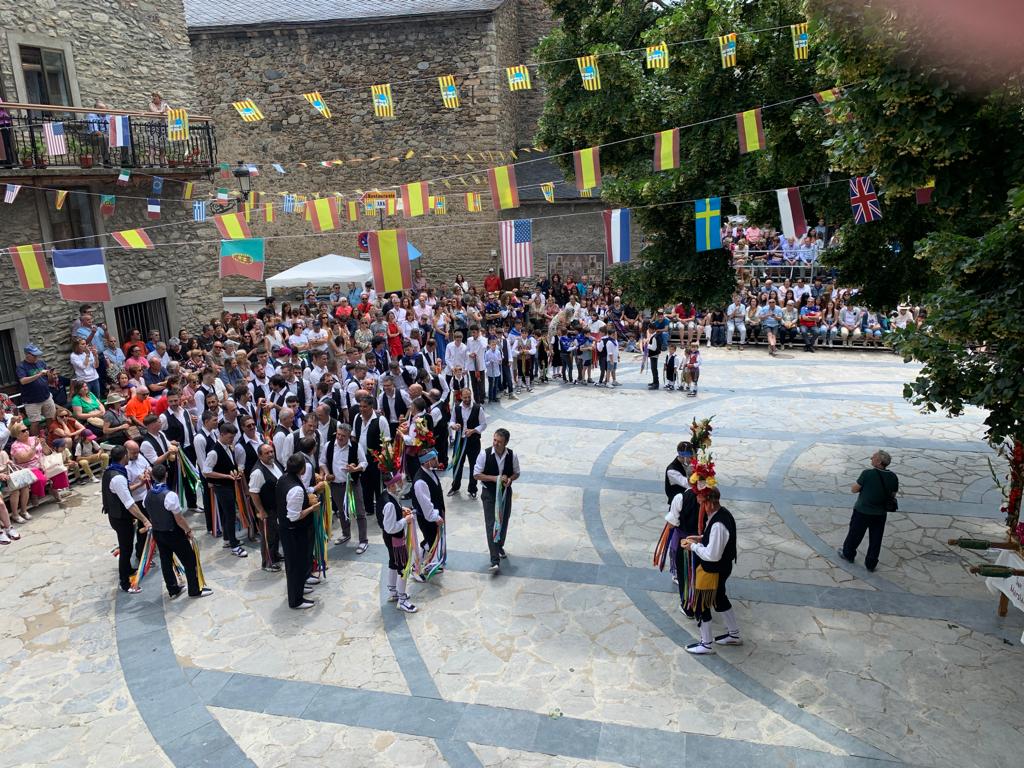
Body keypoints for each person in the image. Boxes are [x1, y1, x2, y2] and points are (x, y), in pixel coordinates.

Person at [680, 488, 741, 653]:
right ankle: (734, 635)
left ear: (709, 503)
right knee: (719, 598)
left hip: (712, 570)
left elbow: (713, 555)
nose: (700, 507)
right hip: (721, 568)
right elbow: (715, 542)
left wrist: (693, 546)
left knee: (701, 605)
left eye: (701, 503)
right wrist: (700, 538)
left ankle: (706, 644)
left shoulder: (718, 525)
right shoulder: (722, 514)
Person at [144, 463, 211, 598]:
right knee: (189, 560)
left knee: (166, 561)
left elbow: (150, 511)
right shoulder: (170, 495)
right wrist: (188, 530)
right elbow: (179, 518)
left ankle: (173, 589)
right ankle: (194, 589)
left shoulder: (148, 495)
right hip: (173, 533)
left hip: (158, 532)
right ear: (166, 475)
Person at [102, 445, 153, 593]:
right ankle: (124, 583)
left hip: (119, 515)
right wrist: (145, 519)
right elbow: (129, 503)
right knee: (126, 549)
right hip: (120, 517)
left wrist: (140, 482)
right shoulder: (117, 477)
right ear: (124, 456)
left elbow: (125, 490)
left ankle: (129, 569)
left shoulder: (112, 471)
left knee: (128, 546)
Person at [839, 450, 898, 572]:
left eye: (873, 457)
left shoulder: (867, 474)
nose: (871, 458)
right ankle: (871, 563)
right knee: (876, 538)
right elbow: (893, 494)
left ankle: (848, 554)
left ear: (879, 462)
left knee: (855, 534)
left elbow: (854, 489)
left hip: (862, 511)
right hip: (880, 513)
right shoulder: (893, 477)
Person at [276, 453, 322, 609]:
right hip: (293, 531)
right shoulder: (295, 489)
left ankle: (299, 588)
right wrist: (312, 508)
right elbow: (294, 516)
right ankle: (296, 600)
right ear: (302, 469)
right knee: (295, 565)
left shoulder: (284, 479)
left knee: (299, 563)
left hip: (288, 529)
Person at [473, 428, 520, 574]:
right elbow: (476, 474)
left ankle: (499, 545)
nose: (495, 443)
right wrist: (495, 479)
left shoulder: (512, 455)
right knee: (491, 524)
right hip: (489, 493)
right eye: (494, 440)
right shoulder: (484, 454)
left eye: (499, 442)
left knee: (504, 520)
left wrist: (510, 479)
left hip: (505, 493)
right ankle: (494, 560)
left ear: (506, 443)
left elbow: (516, 472)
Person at [322, 423, 369, 552]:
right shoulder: (329, 445)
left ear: (349, 436)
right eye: (338, 434)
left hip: (353, 484)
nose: (340, 437)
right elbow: (322, 462)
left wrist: (355, 469)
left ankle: (363, 540)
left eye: (343, 436)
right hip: (336, 485)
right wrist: (327, 473)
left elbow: (364, 463)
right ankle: (346, 534)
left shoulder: (355, 446)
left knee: (360, 511)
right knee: (342, 512)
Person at [203, 423, 247, 558]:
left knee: (225, 513)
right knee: (230, 515)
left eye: (233, 437)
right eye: (229, 437)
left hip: (228, 485)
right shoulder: (214, 452)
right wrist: (227, 476)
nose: (232, 440)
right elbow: (206, 472)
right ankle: (234, 546)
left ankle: (228, 538)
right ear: (221, 434)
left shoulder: (227, 447)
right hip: (222, 487)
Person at [247, 442, 284, 572]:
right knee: (268, 536)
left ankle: (275, 555)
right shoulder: (258, 472)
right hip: (267, 509)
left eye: (271, 452)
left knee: (276, 534)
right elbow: (253, 492)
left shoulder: (275, 463)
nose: (270, 455)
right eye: (267, 453)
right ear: (260, 456)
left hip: (278, 507)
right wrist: (261, 511)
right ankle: (267, 562)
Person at [410, 448, 446, 582]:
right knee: (429, 542)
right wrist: (436, 517)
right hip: (428, 518)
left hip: (434, 515)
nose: (437, 460)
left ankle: (430, 564)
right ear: (426, 462)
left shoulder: (430, 471)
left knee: (432, 542)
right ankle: (416, 568)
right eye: (434, 459)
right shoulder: (420, 482)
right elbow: (426, 505)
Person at [448, 387, 485, 498]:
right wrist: (453, 425)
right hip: (460, 441)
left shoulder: (478, 408)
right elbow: (452, 421)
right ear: (461, 397)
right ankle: (455, 486)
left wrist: (473, 430)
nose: (467, 399)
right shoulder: (457, 408)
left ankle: (473, 488)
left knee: (474, 465)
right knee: (457, 464)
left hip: (473, 442)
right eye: (465, 397)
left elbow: (483, 424)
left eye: (469, 397)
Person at [17, 344, 56, 435]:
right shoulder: (21, 366)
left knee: (50, 417)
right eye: (34, 355)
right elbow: (23, 381)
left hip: (46, 396)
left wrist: (50, 374)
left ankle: (51, 436)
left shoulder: (41, 363)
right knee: (35, 422)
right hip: (32, 401)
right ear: (28, 355)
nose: (37, 357)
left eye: (37, 355)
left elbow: (49, 380)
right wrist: (39, 374)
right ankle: (36, 441)